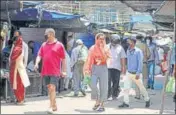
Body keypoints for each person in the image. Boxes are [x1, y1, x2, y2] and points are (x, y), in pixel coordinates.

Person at [34, 28, 66, 114]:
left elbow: (63, 59)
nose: (45, 35)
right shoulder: (44, 45)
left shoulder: (60, 45)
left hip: (55, 71)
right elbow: (39, 55)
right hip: (45, 71)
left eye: (46, 34)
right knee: (50, 89)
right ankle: (54, 104)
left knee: (52, 88)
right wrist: (37, 63)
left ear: (51, 34)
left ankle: (51, 107)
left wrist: (64, 70)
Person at [119, 36, 150, 108]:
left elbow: (140, 63)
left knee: (141, 88)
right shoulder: (128, 50)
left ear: (133, 42)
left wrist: (138, 73)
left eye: (129, 41)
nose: (127, 42)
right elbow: (128, 61)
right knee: (126, 88)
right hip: (129, 73)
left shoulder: (138, 51)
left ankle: (147, 99)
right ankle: (126, 102)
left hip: (136, 73)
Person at [84, 33, 111, 112]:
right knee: (92, 84)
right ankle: (97, 100)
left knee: (104, 86)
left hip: (103, 68)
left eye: (103, 39)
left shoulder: (106, 48)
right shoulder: (92, 48)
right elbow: (89, 59)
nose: (101, 40)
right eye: (100, 39)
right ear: (97, 39)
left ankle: (102, 104)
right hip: (94, 68)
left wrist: (103, 52)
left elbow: (109, 58)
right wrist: (87, 69)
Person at [9, 30, 30, 105]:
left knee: (21, 83)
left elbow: (26, 57)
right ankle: (14, 98)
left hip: (20, 67)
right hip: (13, 67)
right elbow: (11, 56)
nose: (15, 37)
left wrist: (24, 67)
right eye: (14, 35)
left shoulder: (24, 45)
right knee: (13, 83)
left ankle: (22, 99)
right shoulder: (14, 45)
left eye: (17, 35)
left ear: (20, 36)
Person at [107, 34, 126, 100]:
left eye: (116, 42)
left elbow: (122, 58)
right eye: (113, 42)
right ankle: (108, 95)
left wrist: (123, 68)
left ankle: (114, 95)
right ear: (111, 41)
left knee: (116, 82)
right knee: (108, 81)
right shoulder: (106, 47)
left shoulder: (120, 48)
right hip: (108, 67)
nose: (114, 44)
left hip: (117, 67)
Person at [135, 35, 151, 99]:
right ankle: (144, 94)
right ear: (142, 39)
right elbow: (149, 54)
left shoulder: (133, 46)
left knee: (136, 79)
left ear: (136, 39)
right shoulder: (144, 45)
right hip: (143, 64)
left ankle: (137, 95)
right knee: (145, 79)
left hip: (135, 65)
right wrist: (146, 58)